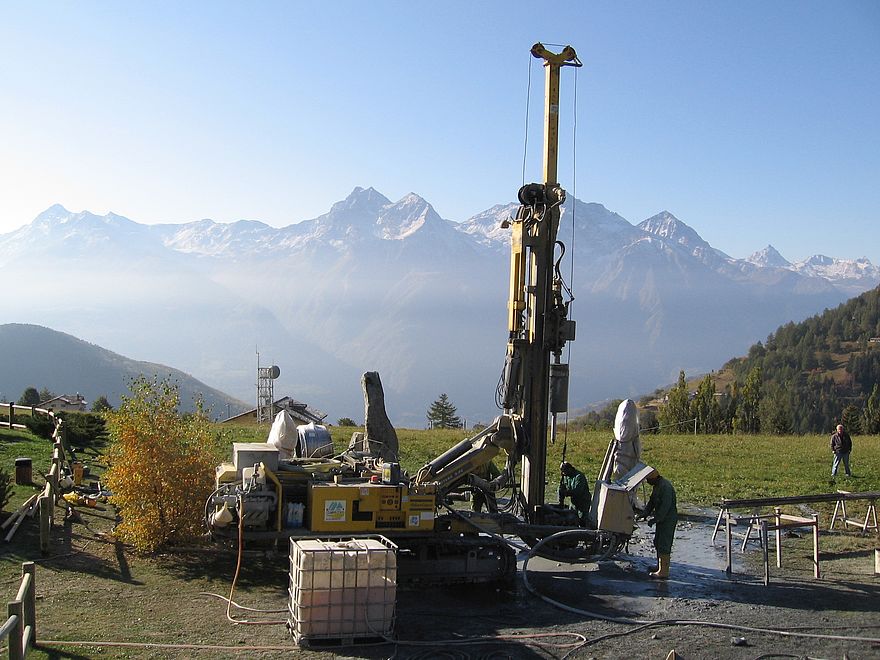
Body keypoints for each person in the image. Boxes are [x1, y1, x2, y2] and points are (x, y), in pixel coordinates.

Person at [641, 469, 678, 579]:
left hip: (668, 519)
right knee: (657, 542)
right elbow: (652, 502)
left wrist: (655, 519)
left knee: (664, 544)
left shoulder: (665, 487)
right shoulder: (657, 486)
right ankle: (659, 565)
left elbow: (665, 507)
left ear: (654, 478)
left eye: (648, 479)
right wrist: (645, 513)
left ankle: (663, 571)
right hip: (662, 519)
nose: (647, 481)